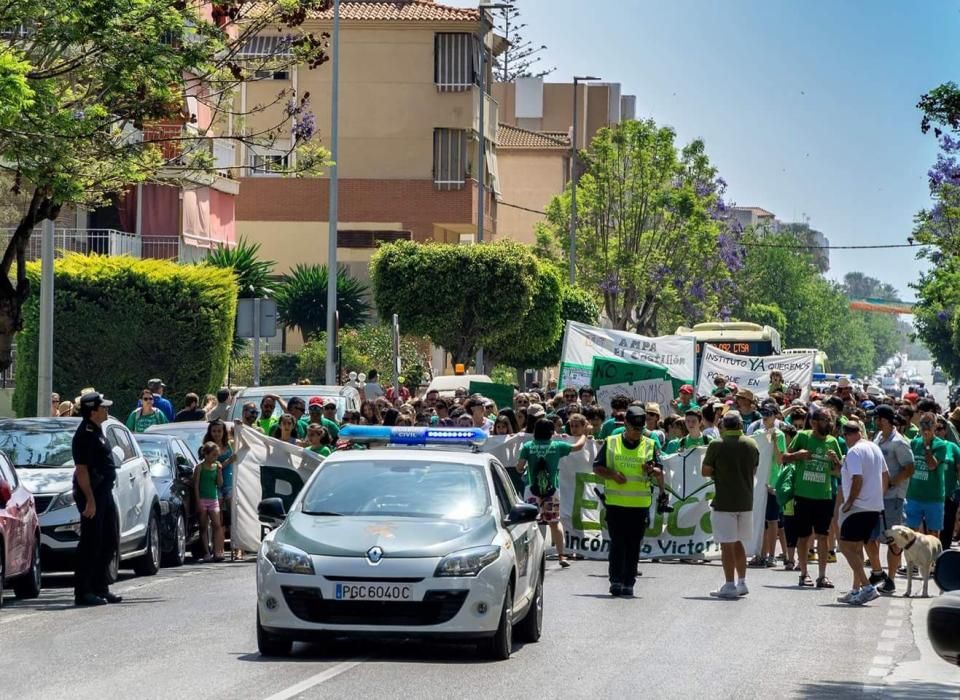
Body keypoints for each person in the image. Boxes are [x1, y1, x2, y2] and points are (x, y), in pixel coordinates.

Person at [593, 406, 663, 597]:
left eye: (640, 430)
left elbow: (659, 471)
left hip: (639, 506)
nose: (636, 433)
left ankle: (629, 582)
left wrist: (652, 470)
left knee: (633, 545)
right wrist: (613, 474)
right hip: (616, 504)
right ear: (626, 425)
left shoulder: (649, 444)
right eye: (633, 429)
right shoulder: (611, 442)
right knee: (617, 543)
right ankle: (615, 580)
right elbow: (597, 467)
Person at [782, 407, 843, 588]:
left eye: (830, 420)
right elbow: (784, 458)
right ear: (814, 423)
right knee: (804, 536)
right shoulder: (803, 437)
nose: (829, 424)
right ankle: (804, 573)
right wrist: (797, 455)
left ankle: (822, 576)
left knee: (823, 536)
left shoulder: (833, 441)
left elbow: (839, 471)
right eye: (825, 420)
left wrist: (836, 461)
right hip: (803, 495)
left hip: (824, 496)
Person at [72, 392, 122, 606]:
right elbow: (81, 471)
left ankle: (101, 587)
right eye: (103, 407)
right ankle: (84, 592)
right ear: (93, 411)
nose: (106, 410)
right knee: (91, 542)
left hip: (104, 492)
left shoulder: (97, 430)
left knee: (109, 539)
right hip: (92, 493)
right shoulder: (84, 434)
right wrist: (90, 499)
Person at [703, 411, 759, 598]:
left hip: (725, 501)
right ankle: (741, 582)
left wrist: (719, 472)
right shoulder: (751, 443)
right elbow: (754, 469)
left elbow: (705, 470)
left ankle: (729, 585)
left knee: (727, 544)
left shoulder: (717, 444)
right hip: (745, 501)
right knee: (737, 542)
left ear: (724, 426)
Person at [517, 419, 586, 569]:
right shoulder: (557, 446)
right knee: (554, 522)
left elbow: (519, 467)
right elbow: (578, 447)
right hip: (552, 490)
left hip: (531, 490)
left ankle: (528, 557)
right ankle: (562, 555)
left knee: (529, 523)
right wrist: (584, 434)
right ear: (551, 432)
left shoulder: (528, 446)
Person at [835, 420, 888, 605]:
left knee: (845, 546)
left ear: (848, 435)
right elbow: (885, 476)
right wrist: (877, 498)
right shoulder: (874, 447)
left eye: (845, 436)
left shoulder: (854, 451)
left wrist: (849, 502)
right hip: (873, 506)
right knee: (856, 548)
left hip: (858, 507)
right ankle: (856, 590)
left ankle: (866, 587)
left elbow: (857, 478)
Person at [753, 404, 786, 568]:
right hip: (758, 482)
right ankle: (759, 553)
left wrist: (773, 443)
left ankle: (771, 555)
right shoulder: (757, 434)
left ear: (776, 416)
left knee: (772, 520)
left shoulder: (779, 435)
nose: (765, 416)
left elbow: (780, 461)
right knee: (759, 519)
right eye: (763, 413)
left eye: (768, 414)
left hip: (772, 482)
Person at [906, 412, 948, 540]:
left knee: (933, 534)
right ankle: (912, 559)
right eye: (923, 423)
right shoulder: (914, 443)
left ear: (935, 425)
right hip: (914, 496)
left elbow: (932, 465)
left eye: (929, 423)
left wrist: (927, 444)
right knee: (911, 533)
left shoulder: (940, 445)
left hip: (933, 498)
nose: (926, 427)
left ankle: (933, 560)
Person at [202, 419, 239, 559]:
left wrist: (239, 427)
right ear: (210, 432)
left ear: (224, 432)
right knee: (218, 519)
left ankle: (237, 548)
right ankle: (219, 549)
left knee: (233, 515)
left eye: (219, 431)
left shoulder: (230, 444)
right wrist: (228, 461)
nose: (217, 434)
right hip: (214, 485)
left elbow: (245, 446)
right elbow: (213, 465)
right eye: (214, 431)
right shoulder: (208, 447)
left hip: (229, 483)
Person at [193, 442, 225, 562]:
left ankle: (217, 551)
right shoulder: (200, 467)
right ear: (206, 454)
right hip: (202, 499)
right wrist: (198, 501)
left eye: (217, 455)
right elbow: (195, 485)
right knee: (203, 526)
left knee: (217, 525)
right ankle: (206, 552)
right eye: (213, 455)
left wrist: (220, 471)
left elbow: (220, 484)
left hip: (213, 499)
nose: (215, 458)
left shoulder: (216, 466)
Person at [935, 417, 960, 553]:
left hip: (948, 495)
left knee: (947, 528)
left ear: (945, 431)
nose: (937, 432)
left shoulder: (952, 447)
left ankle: (943, 559)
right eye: (935, 429)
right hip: (929, 496)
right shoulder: (923, 445)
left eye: (940, 429)